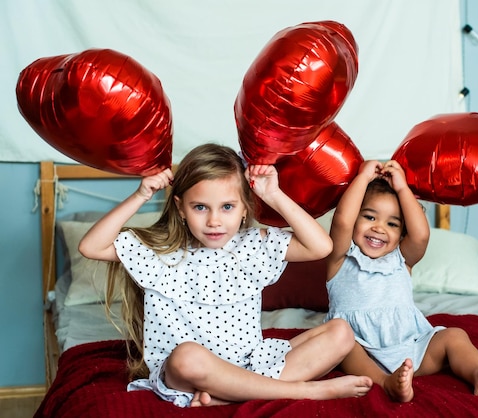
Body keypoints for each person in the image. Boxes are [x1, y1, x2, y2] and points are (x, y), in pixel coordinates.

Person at [78, 143, 372, 408]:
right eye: (200, 207)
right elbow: (91, 246)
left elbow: (320, 246)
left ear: (245, 207)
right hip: (188, 372)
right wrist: (141, 195)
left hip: (250, 363)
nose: (214, 221)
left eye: (228, 207)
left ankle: (222, 397)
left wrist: (273, 194)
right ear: (181, 208)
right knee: (186, 356)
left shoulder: (254, 244)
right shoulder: (160, 251)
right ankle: (306, 392)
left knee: (341, 332)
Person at [324, 159, 478, 403]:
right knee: (343, 344)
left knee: (454, 336)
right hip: (364, 351)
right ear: (355, 220)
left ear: (402, 233)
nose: (380, 228)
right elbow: (341, 221)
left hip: (413, 350)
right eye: (370, 217)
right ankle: (386, 383)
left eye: (392, 224)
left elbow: (421, 234)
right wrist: (362, 179)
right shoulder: (339, 258)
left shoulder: (402, 260)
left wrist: (403, 188)